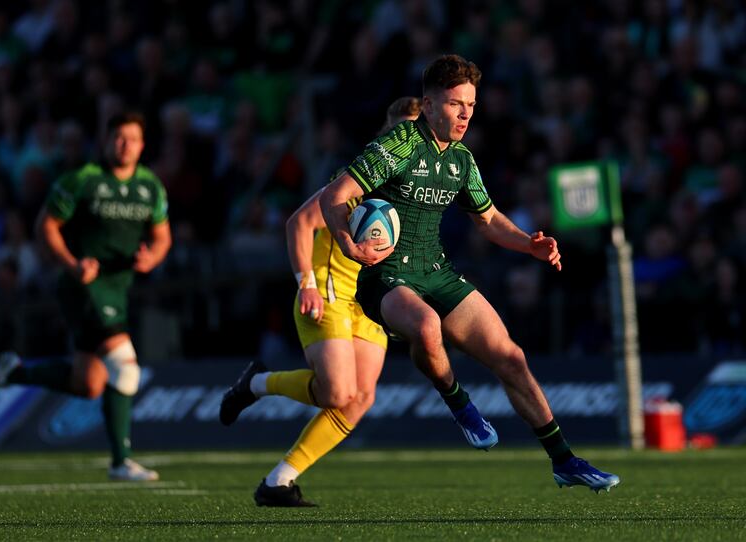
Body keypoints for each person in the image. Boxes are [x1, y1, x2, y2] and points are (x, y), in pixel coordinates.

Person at [318, 54, 620, 493]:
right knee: (426, 327)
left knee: (512, 358)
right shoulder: (399, 145)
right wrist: (349, 245)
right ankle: (459, 403)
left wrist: (529, 244)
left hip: (436, 271)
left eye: (472, 105)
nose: (465, 114)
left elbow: (489, 219)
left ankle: (565, 461)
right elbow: (335, 195)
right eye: (456, 103)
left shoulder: (460, 159)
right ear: (429, 103)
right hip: (386, 278)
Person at [219, 97, 422, 507]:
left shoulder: (419, 187)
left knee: (361, 397)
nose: (406, 140)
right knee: (337, 392)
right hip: (328, 287)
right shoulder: (358, 176)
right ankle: (256, 384)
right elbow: (301, 222)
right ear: (387, 132)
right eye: (400, 131)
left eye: (415, 132)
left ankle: (279, 481)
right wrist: (306, 283)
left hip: (367, 302)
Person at [0, 111, 171, 482]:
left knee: (89, 384)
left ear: (142, 145)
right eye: (118, 137)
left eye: (132, 138)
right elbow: (45, 226)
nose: (125, 144)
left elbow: (163, 237)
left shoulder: (150, 187)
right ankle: (120, 461)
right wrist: (71, 263)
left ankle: (15, 372)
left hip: (117, 286)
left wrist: (153, 256)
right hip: (81, 285)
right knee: (126, 368)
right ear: (105, 139)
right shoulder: (82, 180)